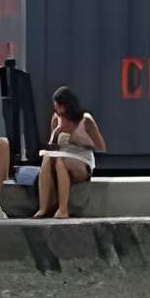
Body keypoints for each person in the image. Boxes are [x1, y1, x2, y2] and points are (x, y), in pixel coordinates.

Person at [31, 87, 103, 219]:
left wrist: (79, 140)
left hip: (81, 160)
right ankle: (43, 208)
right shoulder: (55, 118)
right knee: (49, 158)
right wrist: (54, 136)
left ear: (66, 106)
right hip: (61, 156)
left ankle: (63, 209)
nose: (57, 110)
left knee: (61, 160)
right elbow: (52, 146)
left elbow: (101, 146)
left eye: (58, 107)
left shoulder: (85, 119)